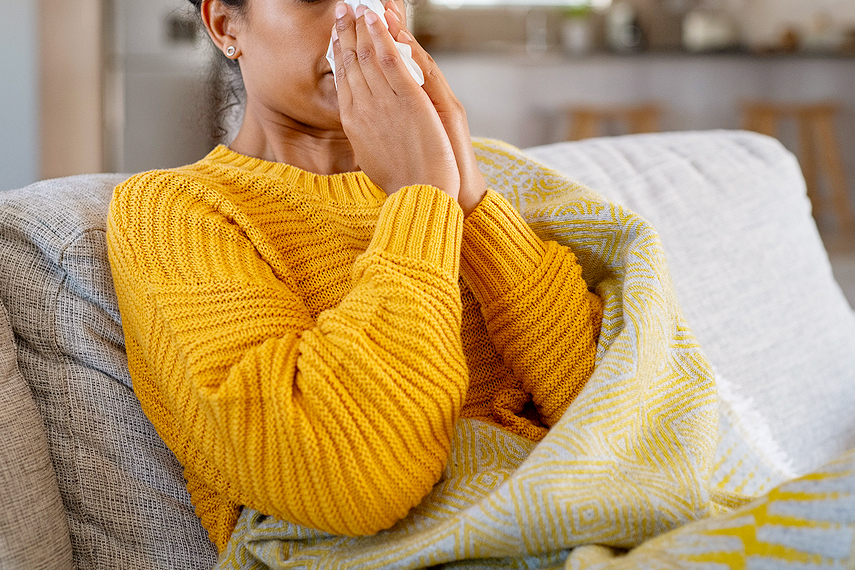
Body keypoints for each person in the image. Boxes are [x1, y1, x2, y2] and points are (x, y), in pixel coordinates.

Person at [106, 0, 603, 554]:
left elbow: (625, 419)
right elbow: (349, 475)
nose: (362, 17)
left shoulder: (482, 174)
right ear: (226, 25)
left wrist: (468, 199)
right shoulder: (175, 212)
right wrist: (423, 198)